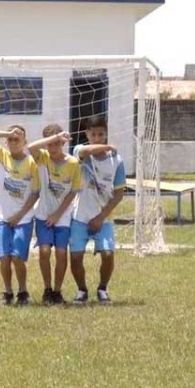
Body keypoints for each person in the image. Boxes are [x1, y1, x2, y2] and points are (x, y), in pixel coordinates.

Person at [0, 125, 41, 306]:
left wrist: (20, 215)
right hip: (2, 217)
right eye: (11, 139)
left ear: (25, 142)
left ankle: (23, 291)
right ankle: (7, 292)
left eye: (17, 139)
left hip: (23, 218)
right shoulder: (1, 155)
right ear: (6, 142)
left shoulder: (31, 163)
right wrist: (7, 133)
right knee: (5, 257)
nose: (14, 142)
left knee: (17, 257)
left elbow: (35, 193)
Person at [69, 116, 125, 306]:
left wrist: (101, 217)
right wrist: (106, 146)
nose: (97, 138)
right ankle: (82, 290)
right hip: (80, 216)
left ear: (106, 133)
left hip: (103, 219)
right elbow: (85, 150)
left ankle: (102, 289)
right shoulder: (81, 152)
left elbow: (119, 194)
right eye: (93, 134)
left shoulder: (116, 160)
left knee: (108, 254)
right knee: (75, 256)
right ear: (87, 135)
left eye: (101, 134)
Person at [26, 124, 82, 304]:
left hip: (62, 215)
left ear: (63, 143)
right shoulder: (42, 158)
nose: (53, 147)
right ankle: (47, 289)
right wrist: (54, 138)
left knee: (61, 253)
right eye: (50, 144)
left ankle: (57, 291)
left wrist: (57, 214)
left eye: (57, 143)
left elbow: (73, 192)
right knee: (44, 251)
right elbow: (31, 147)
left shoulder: (73, 163)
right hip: (43, 214)